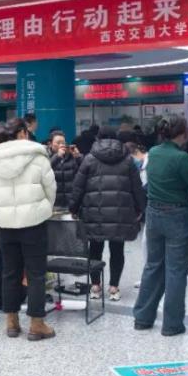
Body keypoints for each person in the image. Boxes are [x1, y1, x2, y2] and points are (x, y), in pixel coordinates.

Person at [133, 114, 188, 336]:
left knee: (153, 266)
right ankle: (172, 325)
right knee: (176, 271)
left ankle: (142, 318)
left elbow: (169, 169)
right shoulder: (181, 158)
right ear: (184, 134)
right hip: (177, 218)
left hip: (153, 215)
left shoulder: (154, 153)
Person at [0, 118, 57, 341]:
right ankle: (36, 324)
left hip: (6, 224)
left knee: (9, 273)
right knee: (36, 274)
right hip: (34, 223)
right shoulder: (37, 156)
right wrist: (45, 208)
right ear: (24, 133)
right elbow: (50, 188)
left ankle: (12, 322)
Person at [69, 126, 146, 302]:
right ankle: (114, 288)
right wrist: (140, 208)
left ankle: (95, 286)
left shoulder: (89, 159)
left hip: (94, 212)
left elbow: (78, 187)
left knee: (95, 249)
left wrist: (73, 208)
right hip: (120, 213)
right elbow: (137, 187)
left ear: (98, 138)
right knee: (117, 250)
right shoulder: (127, 160)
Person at [49, 131, 81, 209]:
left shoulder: (71, 156)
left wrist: (78, 157)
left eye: (63, 142)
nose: (61, 145)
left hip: (70, 203)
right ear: (50, 144)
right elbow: (45, 170)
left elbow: (83, 171)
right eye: (58, 143)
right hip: (54, 204)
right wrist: (57, 157)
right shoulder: (46, 156)